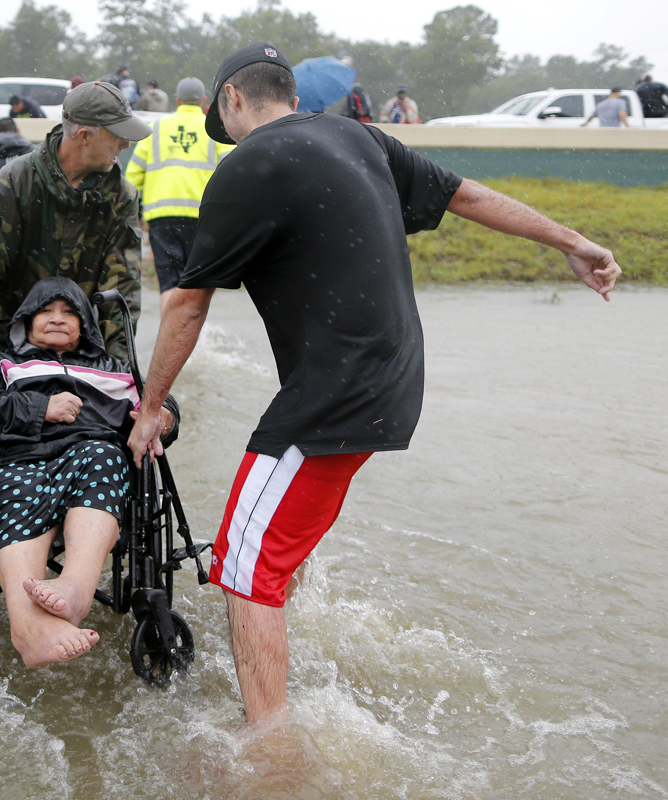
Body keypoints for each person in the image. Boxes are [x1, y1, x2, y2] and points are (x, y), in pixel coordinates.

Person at [127, 43, 621, 729]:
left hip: (333, 392)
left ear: (234, 100)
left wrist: (150, 410)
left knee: (243, 568)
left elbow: (187, 302)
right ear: (290, 92)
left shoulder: (248, 165)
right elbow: (466, 195)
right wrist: (572, 240)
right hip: (394, 381)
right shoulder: (359, 136)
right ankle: (273, 660)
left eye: (224, 121)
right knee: (273, 547)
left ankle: (269, 751)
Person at [0, 277, 177, 666]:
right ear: (26, 322)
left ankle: (75, 587)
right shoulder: (1, 364)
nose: (57, 318)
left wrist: (164, 416)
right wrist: (39, 408)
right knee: (15, 483)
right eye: (45, 311)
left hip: (88, 458)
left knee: (104, 456)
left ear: (85, 326)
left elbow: (160, 403)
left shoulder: (116, 369)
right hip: (14, 459)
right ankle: (27, 626)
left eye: (69, 312)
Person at [0, 80, 152, 384]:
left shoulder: (121, 196)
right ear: (85, 136)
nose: (126, 145)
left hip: (84, 353)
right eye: (118, 136)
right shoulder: (16, 181)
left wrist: (119, 365)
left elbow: (122, 287)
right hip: (13, 347)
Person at [125, 77, 233, 313]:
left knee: (169, 282)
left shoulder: (156, 129)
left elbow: (132, 175)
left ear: (176, 100)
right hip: (202, 219)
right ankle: (192, 342)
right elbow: (232, 171)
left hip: (162, 218)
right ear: (204, 100)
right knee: (195, 285)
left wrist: (133, 213)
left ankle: (168, 340)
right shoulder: (215, 130)